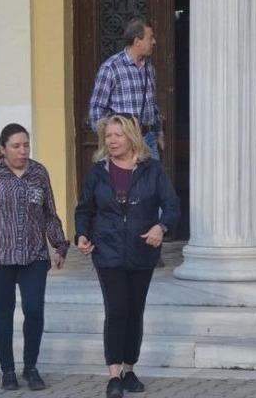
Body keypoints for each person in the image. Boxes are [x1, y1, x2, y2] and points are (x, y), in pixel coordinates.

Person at [75, 114, 179, 398]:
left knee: (135, 312)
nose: (112, 140)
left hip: (142, 251)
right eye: (108, 136)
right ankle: (113, 375)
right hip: (107, 252)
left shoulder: (152, 170)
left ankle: (130, 369)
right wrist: (82, 235)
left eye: (117, 135)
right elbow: (84, 209)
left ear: (131, 137)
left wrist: (161, 227)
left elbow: (171, 206)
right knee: (117, 310)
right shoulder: (97, 172)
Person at [0, 123, 68, 391]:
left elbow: (49, 213)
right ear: (3, 149)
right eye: (16, 146)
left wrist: (59, 245)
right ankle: (7, 371)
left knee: (34, 309)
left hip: (34, 256)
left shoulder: (39, 173)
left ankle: (31, 368)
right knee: (3, 312)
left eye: (26, 145)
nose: (23, 151)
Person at [89, 16, 165, 160]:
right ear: (137, 41)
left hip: (148, 140)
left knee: (153, 175)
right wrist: (110, 139)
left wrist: (159, 134)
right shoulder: (111, 68)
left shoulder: (149, 68)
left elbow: (153, 105)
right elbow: (97, 109)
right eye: (150, 38)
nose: (154, 42)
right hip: (124, 142)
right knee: (123, 175)